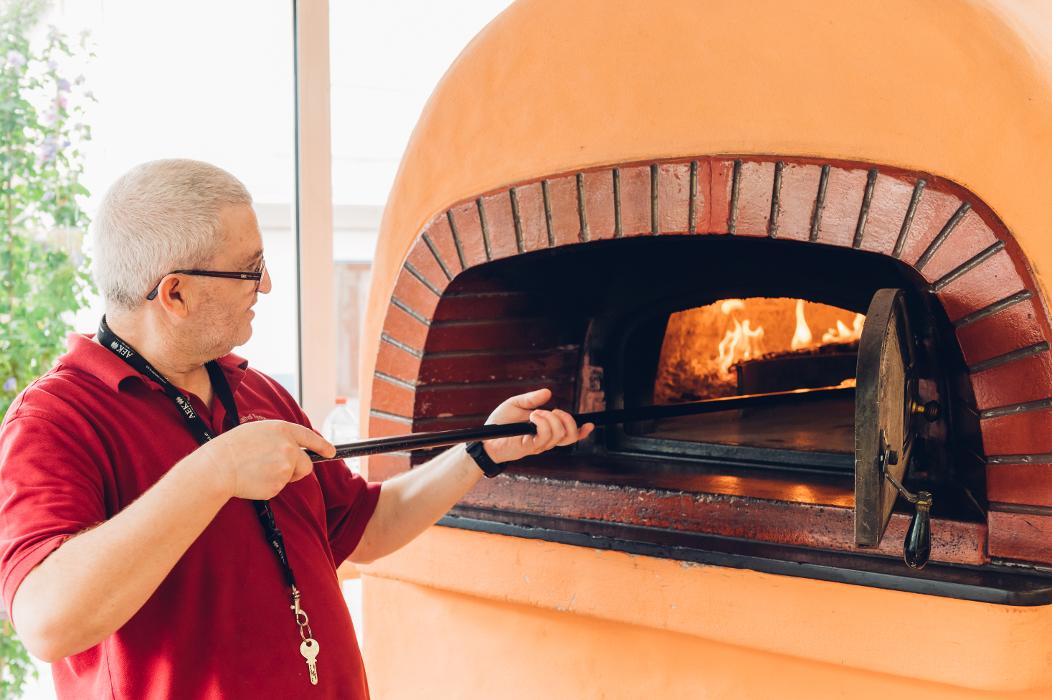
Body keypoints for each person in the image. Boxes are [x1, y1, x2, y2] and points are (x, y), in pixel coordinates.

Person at [0, 159, 593, 699]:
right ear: (175, 293)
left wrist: (481, 451)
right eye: (250, 269)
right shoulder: (54, 420)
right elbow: (48, 623)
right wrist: (215, 472)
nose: (266, 286)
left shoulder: (255, 391)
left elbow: (363, 528)